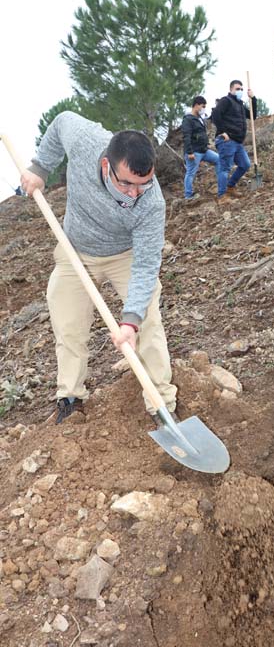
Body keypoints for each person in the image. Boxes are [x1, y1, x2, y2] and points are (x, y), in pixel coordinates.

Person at [20, 111, 177, 424]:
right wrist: (40, 168)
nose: (135, 194)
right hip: (74, 250)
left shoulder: (151, 202)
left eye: (143, 185)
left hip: (125, 256)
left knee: (148, 324)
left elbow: (146, 265)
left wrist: (130, 321)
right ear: (107, 165)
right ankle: (69, 397)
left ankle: (162, 405)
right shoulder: (85, 141)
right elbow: (61, 120)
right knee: (68, 325)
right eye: (127, 184)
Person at [213, 79, 257, 204]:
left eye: (242, 89)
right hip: (227, 140)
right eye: (238, 89)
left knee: (245, 164)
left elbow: (253, 116)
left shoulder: (240, 105)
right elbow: (216, 114)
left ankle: (230, 187)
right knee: (225, 168)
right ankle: (222, 196)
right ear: (231, 90)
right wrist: (222, 131)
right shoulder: (226, 101)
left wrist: (253, 99)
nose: (240, 91)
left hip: (237, 142)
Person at [181, 95, 220, 201]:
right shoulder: (188, 120)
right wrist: (189, 152)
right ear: (196, 105)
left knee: (218, 159)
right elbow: (186, 137)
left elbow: (201, 134)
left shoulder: (199, 119)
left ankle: (221, 185)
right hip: (194, 152)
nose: (204, 109)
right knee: (190, 172)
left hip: (204, 150)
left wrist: (206, 144)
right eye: (202, 106)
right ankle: (188, 195)